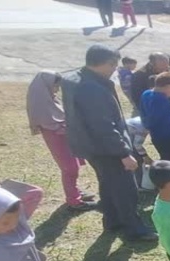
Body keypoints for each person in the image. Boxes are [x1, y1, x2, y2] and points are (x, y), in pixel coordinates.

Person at [61, 44, 156, 241]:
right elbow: (103, 125)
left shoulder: (75, 78)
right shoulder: (91, 88)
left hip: (91, 147)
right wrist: (123, 153)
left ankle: (112, 220)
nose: (114, 70)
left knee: (107, 183)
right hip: (107, 148)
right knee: (125, 189)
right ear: (108, 63)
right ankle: (134, 229)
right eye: (113, 66)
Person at [27, 70, 99, 212]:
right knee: (70, 168)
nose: (57, 89)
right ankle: (74, 201)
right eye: (55, 86)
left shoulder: (50, 98)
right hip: (57, 138)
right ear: (47, 85)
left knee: (74, 166)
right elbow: (51, 123)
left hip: (66, 138)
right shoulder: (40, 102)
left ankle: (75, 192)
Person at [140, 72, 170, 165]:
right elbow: (157, 119)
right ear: (168, 87)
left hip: (156, 136)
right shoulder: (160, 100)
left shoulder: (146, 93)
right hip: (168, 136)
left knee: (167, 159)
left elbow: (143, 112)